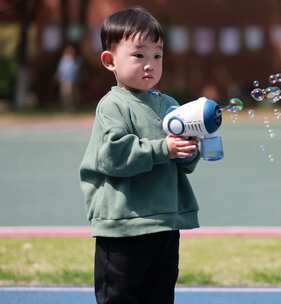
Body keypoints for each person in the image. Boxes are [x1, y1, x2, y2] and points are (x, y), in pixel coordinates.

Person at [79, 7, 201, 304]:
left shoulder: (170, 105)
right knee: (121, 297)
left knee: (159, 296)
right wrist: (165, 148)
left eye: (157, 56)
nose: (150, 65)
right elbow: (114, 155)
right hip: (123, 227)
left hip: (163, 224)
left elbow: (182, 164)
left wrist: (189, 151)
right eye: (139, 55)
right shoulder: (113, 105)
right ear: (110, 61)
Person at [57, 45, 81, 111]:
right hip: (65, 81)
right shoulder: (64, 60)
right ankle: (66, 107)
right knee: (66, 95)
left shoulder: (75, 60)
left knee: (74, 95)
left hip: (73, 81)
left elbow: (76, 71)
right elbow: (61, 71)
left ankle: (74, 107)